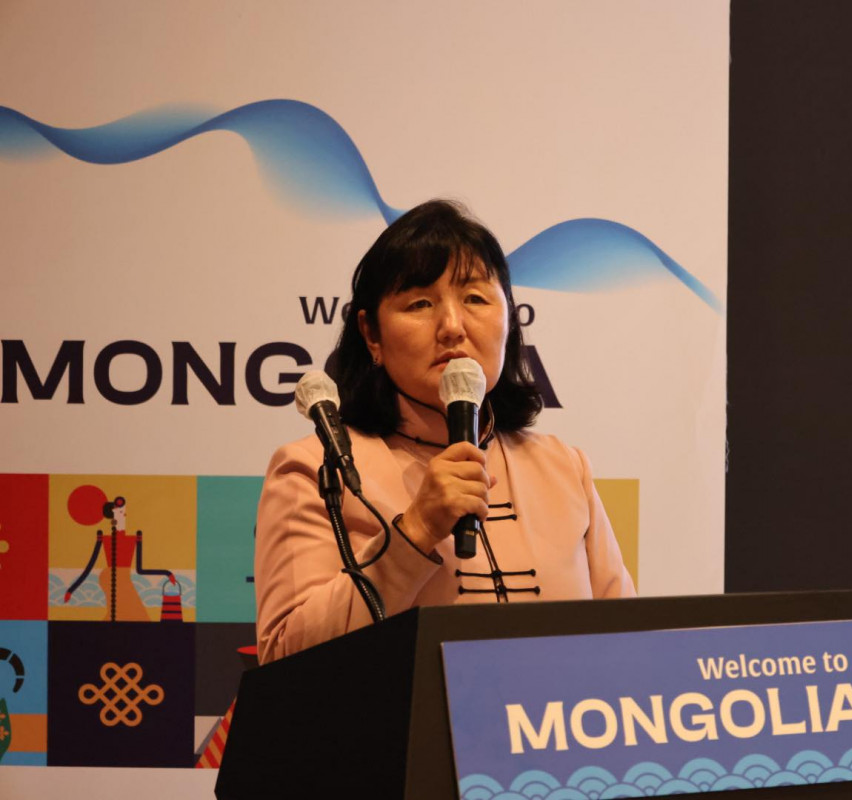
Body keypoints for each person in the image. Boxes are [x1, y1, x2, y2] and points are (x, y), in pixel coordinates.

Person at [255, 200, 635, 663]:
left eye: (475, 299)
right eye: (420, 303)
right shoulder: (317, 467)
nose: (452, 327)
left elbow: (627, 644)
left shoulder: (563, 467)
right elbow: (284, 657)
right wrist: (416, 530)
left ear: (510, 318)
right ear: (371, 335)